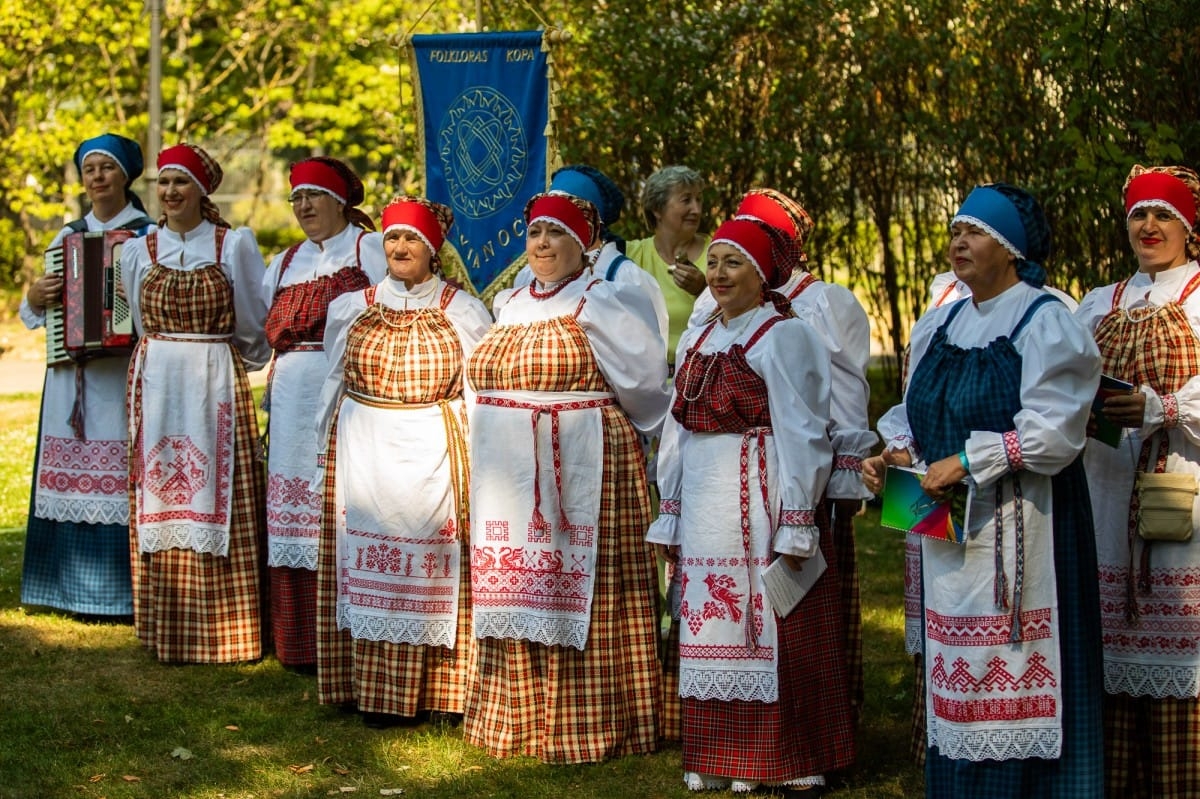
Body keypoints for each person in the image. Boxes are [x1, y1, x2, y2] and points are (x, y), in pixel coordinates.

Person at [862, 183, 1104, 797]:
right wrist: (898, 457)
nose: (958, 243)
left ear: (1013, 249)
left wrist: (967, 461)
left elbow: (1056, 431)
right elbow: (914, 415)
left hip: (1028, 526)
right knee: (959, 671)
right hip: (946, 529)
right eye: (956, 232)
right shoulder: (941, 322)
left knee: (1018, 676)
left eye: (976, 233)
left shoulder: (1045, 319)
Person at [648, 216, 852, 795]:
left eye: (733, 263)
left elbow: (803, 431)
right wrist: (673, 503)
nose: (718, 274)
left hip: (762, 487)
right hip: (709, 495)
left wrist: (796, 518)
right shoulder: (700, 334)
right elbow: (676, 426)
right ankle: (719, 752)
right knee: (709, 623)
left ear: (763, 275)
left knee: (771, 619)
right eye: (713, 262)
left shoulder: (782, 335)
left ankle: (783, 757)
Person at [464, 192, 669, 763]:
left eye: (556, 235)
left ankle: (592, 722)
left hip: (583, 461)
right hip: (508, 470)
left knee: (586, 588)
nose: (542, 245)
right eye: (534, 235)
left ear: (584, 244)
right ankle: (517, 718)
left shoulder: (603, 302)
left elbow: (648, 390)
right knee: (516, 584)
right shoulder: (507, 303)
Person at [688, 188, 875, 728]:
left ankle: (817, 714)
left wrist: (842, 477)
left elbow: (841, 394)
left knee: (802, 595)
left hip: (793, 471)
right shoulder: (714, 309)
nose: (722, 269)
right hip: (720, 486)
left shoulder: (821, 304)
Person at [313, 196, 491, 727]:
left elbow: (479, 390)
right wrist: (323, 448)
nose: (400, 247)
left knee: (433, 570)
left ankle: (440, 693)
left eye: (412, 238)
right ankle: (369, 691)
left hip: (433, 450)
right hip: (364, 449)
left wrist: (481, 463)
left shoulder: (461, 310)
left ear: (433, 249)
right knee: (367, 563)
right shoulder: (352, 306)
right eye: (392, 238)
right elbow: (333, 378)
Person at [1074, 164, 1200, 799]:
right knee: (1110, 650)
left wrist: (1161, 407)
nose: (1149, 227)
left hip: (1181, 486)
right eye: (1138, 215)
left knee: (1179, 645)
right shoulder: (1099, 301)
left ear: (1188, 226)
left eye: (1163, 215)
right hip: (1104, 487)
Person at [121, 143, 271, 664]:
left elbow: (254, 324)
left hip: (212, 378)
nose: (169, 192)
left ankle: (225, 631)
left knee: (218, 490)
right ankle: (166, 626)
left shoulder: (233, 245)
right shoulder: (138, 250)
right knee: (160, 488)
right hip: (158, 378)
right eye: (162, 183)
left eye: (180, 182)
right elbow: (139, 325)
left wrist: (228, 364)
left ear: (201, 190)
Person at [19, 133, 154, 620]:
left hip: (119, 375)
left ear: (126, 176)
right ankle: (63, 589)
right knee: (71, 476)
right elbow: (31, 312)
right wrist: (36, 298)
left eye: (107, 169)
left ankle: (119, 594)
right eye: (90, 169)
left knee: (117, 475)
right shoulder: (66, 237)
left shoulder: (146, 235)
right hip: (71, 378)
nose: (97, 178)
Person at [260, 157, 387, 671]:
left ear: (341, 201)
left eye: (313, 196)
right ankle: (297, 643)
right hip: (291, 395)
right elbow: (255, 327)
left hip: (346, 389)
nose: (304, 206)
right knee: (294, 508)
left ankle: (350, 638)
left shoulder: (368, 248)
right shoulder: (284, 262)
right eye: (296, 198)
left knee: (340, 497)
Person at [512, 164, 669, 344]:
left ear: (589, 222)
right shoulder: (527, 276)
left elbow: (648, 355)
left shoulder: (626, 277)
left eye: (558, 223)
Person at [626, 165, 710, 365]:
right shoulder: (630, 256)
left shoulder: (718, 254)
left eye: (699, 199)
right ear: (657, 209)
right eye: (686, 200)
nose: (696, 210)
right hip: (642, 383)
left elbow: (740, 319)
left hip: (699, 381)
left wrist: (703, 291)